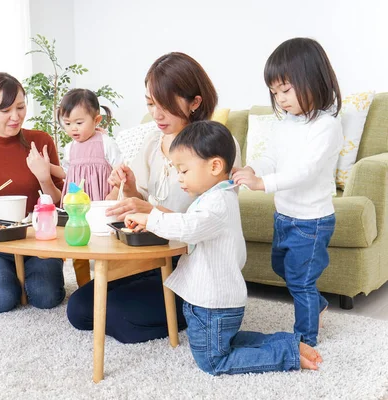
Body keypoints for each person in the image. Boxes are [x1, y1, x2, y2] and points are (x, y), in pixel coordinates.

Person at [66, 52, 242, 344]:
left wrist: (150, 210)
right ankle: (159, 309)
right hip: (147, 259)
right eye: (150, 104)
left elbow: (206, 221)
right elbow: (137, 202)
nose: (156, 115)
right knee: (79, 309)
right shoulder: (151, 142)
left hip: (191, 268)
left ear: (195, 102)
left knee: (119, 318)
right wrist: (130, 188)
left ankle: (193, 312)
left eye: (166, 105)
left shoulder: (217, 146)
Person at [125, 120, 322, 375]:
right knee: (222, 343)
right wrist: (153, 223)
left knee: (213, 360)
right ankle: (288, 343)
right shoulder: (213, 197)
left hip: (213, 304)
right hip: (208, 302)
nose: (179, 178)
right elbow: (187, 225)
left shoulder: (217, 203)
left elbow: (189, 227)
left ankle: (286, 354)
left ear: (215, 166)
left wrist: (151, 218)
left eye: (183, 171)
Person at [233, 37, 343, 347]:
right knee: (280, 267)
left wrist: (262, 185)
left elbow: (304, 171)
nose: (280, 99)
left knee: (301, 280)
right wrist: (254, 169)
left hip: (312, 221)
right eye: (274, 92)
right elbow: (272, 158)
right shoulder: (286, 122)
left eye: (286, 90)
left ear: (313, 80)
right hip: (285, 215)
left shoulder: (326, 126)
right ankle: (317, 304)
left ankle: (305, 339)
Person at [0, 72, 66, 313]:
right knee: (0, 299)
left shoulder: (41, 141)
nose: (15, 117)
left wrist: (44, 177)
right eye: (5, 110)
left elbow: (59, 201)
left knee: (46, 297)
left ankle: (19, 280)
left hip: (39, 242)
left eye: (20, 107)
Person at [49, 88, 123, 287]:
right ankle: (84, 287)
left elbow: (121, 170)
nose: (73, 128)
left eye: (79, 123)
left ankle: (110, 284)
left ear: (96, 120)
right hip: (77, 207)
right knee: (78, 244)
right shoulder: (70, 147)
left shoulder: (106, 143)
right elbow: (67, 173)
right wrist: (47, 167)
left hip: (100, 202)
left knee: (104, 244)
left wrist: (113, 193)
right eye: (68, 123)